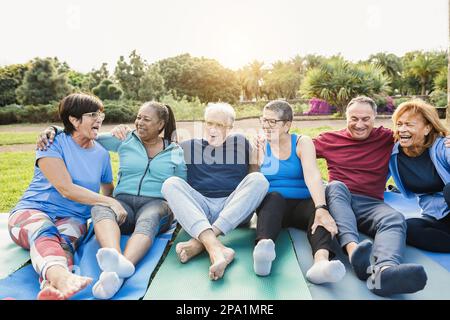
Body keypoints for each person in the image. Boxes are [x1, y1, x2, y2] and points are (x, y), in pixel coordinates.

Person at [38, 101, 186, 299]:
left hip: (157, 203)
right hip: (123, 202)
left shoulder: (175, 151)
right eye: (138, 117)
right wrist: (53, 129)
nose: (139, 122)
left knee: (150, 217)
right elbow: (84, 133)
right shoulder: (125, 140)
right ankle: (114, 260)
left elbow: (181, 186)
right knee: (101, 207)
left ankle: (120, 269)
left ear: (160, 125)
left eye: (146, 119)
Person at [9, 93, 126, 300]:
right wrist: (110, 201)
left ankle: (51, 288)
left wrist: (113, 207)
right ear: (73, 119)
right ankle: (63, 279)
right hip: (32, 211)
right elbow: (65, 188)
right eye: (92, 114)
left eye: (101, 114)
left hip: (73, 218)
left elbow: (107, 188)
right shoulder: (52, 142)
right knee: (44, 230)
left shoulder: (101, 154)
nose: (99, 118)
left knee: (64, 244)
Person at [318, 96, 428, 297]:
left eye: (366, 119)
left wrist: (445, 138)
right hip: (339, 199)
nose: (359, 124)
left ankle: (383, 273)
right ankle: (354, 254)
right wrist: (268, 141)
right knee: (335, 186)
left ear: (375, 118)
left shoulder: (387, 137)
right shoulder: (329, 140)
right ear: (346, 118)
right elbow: (295, 149)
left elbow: (419, 133)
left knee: (395, 218)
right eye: (354, 118)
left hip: (371, 203)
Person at [161, 103, 269, 280]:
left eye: (220, 125)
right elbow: (155, 141)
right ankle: (217, 250)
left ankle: (199, 243)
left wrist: (256, 162)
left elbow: (252, 178)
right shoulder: (187, 146)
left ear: (231, 127)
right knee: (170, 183)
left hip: (233, 210)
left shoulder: (242, 143)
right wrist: (121, 132)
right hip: (200, 209)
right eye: (210, 123)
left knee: (259, 180)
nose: (213, 129)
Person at [252, 100, 345, 284]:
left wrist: (321, 207)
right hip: (273, 205)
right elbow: (252, 181)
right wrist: (257, 157)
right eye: (264, 120)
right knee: (274, 197)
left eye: (272, 121)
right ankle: (263, 249)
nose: (265, 126)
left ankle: (321, 264)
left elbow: (312, 175)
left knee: (319, 212)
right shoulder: (259, 144)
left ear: (287, 124)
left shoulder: (302, 142)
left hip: (302, 204)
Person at [389, 99, 450, 252]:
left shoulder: (443, 146)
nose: (402, 129)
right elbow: (373, 181)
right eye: (399, 124)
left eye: (409, 124)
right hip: (435, 216)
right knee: (407, 228)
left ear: (427, 129)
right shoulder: (393, 154)